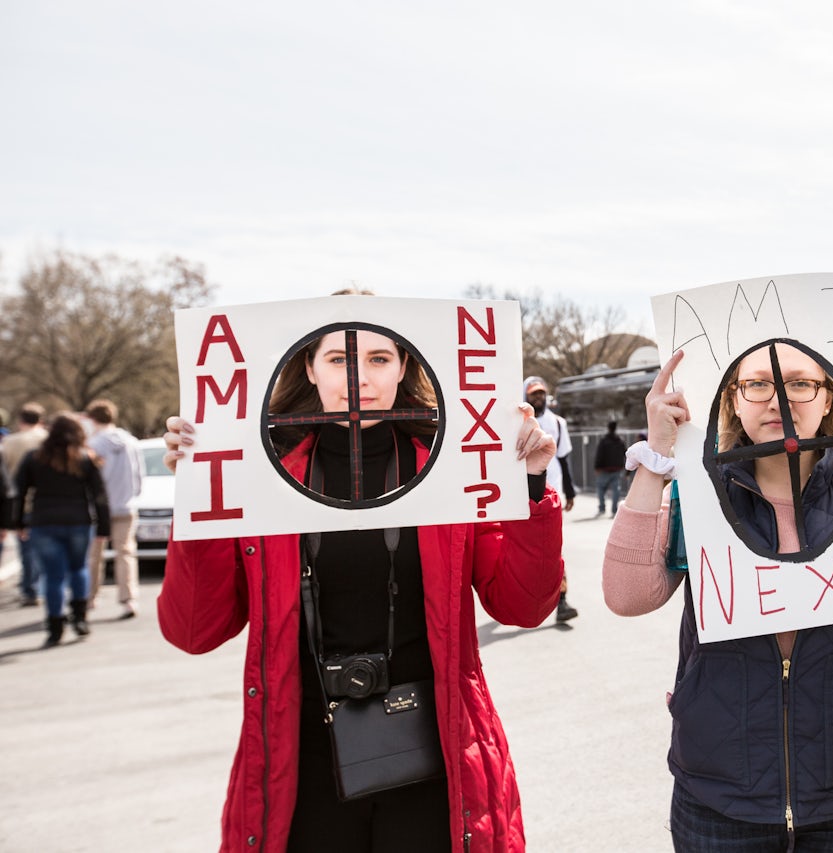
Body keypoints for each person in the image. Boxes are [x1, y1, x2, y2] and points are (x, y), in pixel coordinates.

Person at [158, 323, 565, 851]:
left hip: (437, 758)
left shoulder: (458, 470)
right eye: (337, 360)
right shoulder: (257, 475)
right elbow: (195, 630)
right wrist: (196, 501)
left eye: (377, 359)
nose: (358, 378)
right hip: (301, 762)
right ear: (308, 368)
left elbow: (523, 606)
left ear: (404, 367)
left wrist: (532, 485)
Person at [603, 345, 833, 851]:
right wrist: (655, 459)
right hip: (719, 798)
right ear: (733, 401)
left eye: (800, 383)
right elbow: (626, 597)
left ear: (829, 401)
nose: (779, 398)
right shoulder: (699, 499)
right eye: (757, 384)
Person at [9, 414, 110, 646]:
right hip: (78, 521)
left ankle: (55, 624)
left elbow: (20, 492)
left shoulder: (34, 458)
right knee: (78, 569)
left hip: (44, 522)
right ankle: (80, 618)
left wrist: (19, 523)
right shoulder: (85, 458)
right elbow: (99, 496)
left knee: (53, 576)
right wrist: (104, 527)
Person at [524, 376, 579, 622]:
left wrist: (570, 490)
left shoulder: (557, 423)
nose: (538, 397)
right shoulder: (519, 420)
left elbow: (565, 458)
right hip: (523, 491)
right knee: (528, 546)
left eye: (541, 393)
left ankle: (562, 600)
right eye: (534, 393)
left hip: (552, 490)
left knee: (554, 546)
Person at [84, 399, 144, 619]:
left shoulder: (94, 444)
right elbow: (139, 475)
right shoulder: (131, 441)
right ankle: (129, 600)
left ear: (92, 419)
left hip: (99, 507)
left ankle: (89, 598)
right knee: (126, 553)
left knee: (94, 556)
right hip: (126, 505)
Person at [2, 403, 49, 607]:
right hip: (47, 500)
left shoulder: (9, 442)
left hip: (19, 501)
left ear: (21, 420)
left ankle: (30, 587)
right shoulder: (49, 439)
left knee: (27, 549)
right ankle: (40, 586)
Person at [594, 419, 627, 517]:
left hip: (605, 469)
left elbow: (599, 454)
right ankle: (614, 510)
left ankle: (602, 508)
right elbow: (625, 453)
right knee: (616, 490)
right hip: (617, 469)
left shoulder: (604, 440)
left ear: (608, 428)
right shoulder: (620, 440)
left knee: (600, 488)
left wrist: (597, 467)